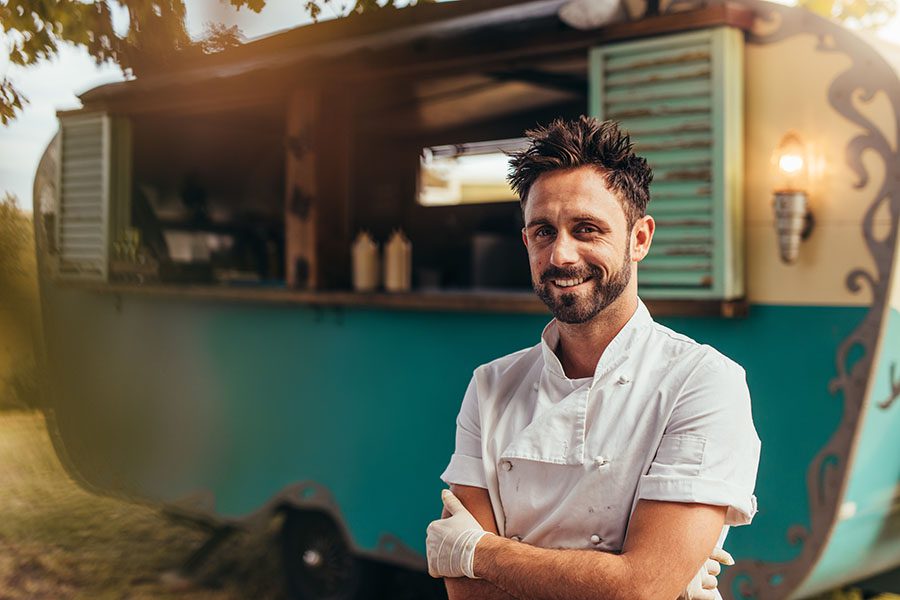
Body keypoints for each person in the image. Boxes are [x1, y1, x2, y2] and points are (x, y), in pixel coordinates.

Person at [426, 116, 761, 600]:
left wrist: (480, 552)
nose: (562, 255)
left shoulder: (703, 381)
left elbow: (639, 588)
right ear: (526, 242)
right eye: (543, 231)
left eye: (587, 229)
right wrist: (637, 577)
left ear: (639, 238)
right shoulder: (491, 385)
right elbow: (467, 593)